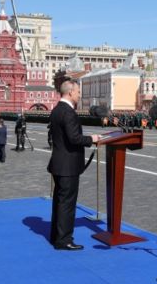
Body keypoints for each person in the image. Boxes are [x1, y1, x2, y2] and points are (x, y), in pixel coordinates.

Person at [47, 80, 100, 250]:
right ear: (70, 92)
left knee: (60, 202)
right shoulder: (68, 112)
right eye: (78, 91)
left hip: (59, 163)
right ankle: (64, 240)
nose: (79, 94)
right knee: (67, 204)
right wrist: (91, 139)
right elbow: (74, 138)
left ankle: (56, 235)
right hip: (68, 165)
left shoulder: (56, 110)